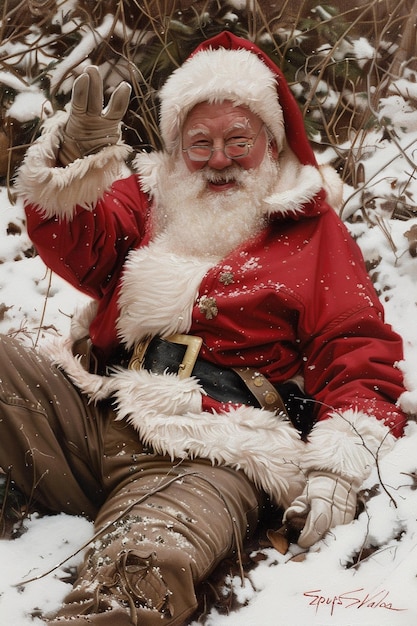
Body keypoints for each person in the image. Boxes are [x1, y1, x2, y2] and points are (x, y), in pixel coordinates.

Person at [5, 31, 407, 624]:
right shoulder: (150, 202)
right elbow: (79, 242)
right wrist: (75, 165)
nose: (219, 159)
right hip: (97, 413)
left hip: (214, 449)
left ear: (270, 143)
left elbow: (357, 353)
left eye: (237, 141)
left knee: (144, 565)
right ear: (176, 149)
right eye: (200, 143)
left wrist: (337, 468)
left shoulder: (313, 232)